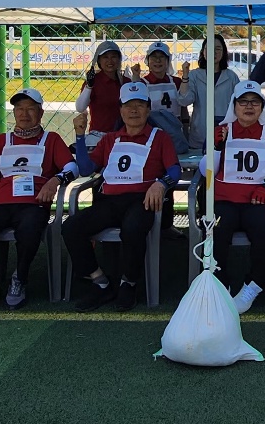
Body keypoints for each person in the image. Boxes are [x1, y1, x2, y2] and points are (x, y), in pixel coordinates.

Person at [65, 82, 181, 312]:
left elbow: (175, 170)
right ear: (120, 109)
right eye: (128, 105)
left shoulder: (160, 137)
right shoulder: (110, 139)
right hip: (110, 201)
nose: (134, 110)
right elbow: (86, 169)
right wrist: (79, 136)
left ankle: (128, 282)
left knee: (133, 228)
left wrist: (161, 183)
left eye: (140, 105)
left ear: (148, 109)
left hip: (142, 199)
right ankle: (100, 281)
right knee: (71, 227)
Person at [0, 88, 78, 314]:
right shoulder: (2, 140)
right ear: (14, 112)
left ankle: (19, 278)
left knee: (29, 231)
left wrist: (55, 180)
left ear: (41, 112)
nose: (24, 114)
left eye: (30, 109)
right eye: (19, 109)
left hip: (33, 202)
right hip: (0, 203)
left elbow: (72, 167)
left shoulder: (51, 139)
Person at [199, 81, 265, 313]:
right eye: (243, 102)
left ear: (262, 107)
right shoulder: (221, 130)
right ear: (234, 105)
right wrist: (217, 147)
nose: (249, 107)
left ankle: (253, 285)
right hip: (223, 199)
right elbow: (206, 170)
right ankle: (220, 284)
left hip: (256, 200)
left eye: (255, 102)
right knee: (215, 232)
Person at [178, 34, 241, 153]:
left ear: (224, 52)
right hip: (200, 135)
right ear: (203, 52)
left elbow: (239, 105)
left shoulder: (231, 77)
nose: (214, 52)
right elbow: (184, 100)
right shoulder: (194, 75)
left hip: (225, 135)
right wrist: (185, 76)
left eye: (218, 49)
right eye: (209, 48)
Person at [74, 40, 126, 144]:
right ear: (99, 60)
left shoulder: (126, 82)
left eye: (114, 57)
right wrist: (89, 86)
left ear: (119, 59)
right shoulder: (94, 82)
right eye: (105, 57)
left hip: (123, 135)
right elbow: (80, 107)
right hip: (98, 136)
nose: (110, 61)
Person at [133, 41, 184, 115]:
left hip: (174, 122)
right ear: (148, 60)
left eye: (162, 57)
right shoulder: (142, 84)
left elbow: (183, 108)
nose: (158, 60)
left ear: (168, 60)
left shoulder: (177, 82)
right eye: (154, 57)